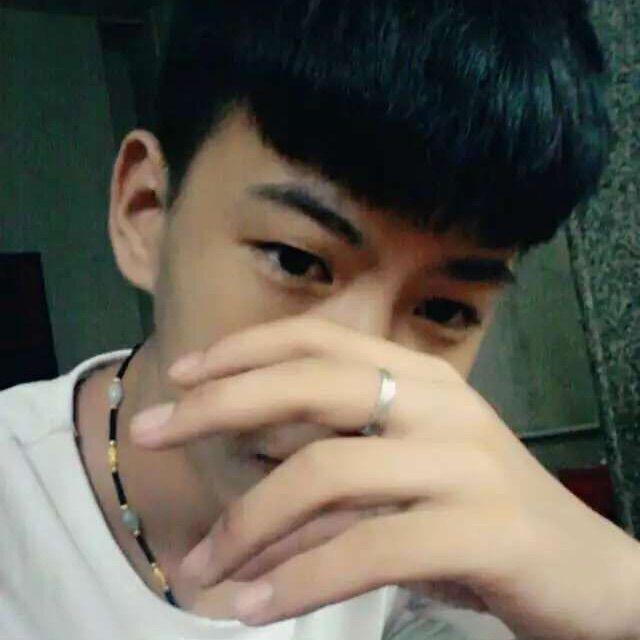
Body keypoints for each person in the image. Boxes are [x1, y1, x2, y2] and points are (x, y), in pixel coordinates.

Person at [2, 1, 639, 639]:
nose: (349, 395)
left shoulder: (432, 535)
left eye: (443, 310)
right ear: (145, 213)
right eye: (296, 260)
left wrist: (618, 592)